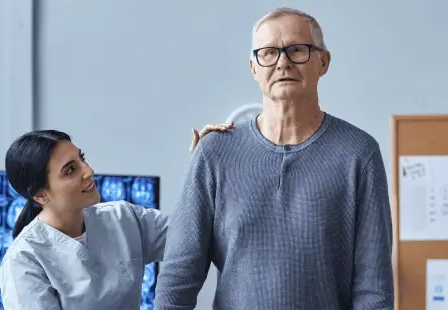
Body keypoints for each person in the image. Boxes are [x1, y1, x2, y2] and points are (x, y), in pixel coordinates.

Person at [154, 7, 394, 310]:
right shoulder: (214, 153)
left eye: (297, 50)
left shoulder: (359, 153)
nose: (283, 63)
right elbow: (179, 275)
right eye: (268, 53)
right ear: (254, 67)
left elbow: (374, 288)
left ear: (323, 61)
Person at [0, 123, 231, 309]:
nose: (88, 171)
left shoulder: (123, 219)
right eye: (70, 170)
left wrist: (205, 168)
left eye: (82, 159)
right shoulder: (24, 261)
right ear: (40, 195)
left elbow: (196, 235)